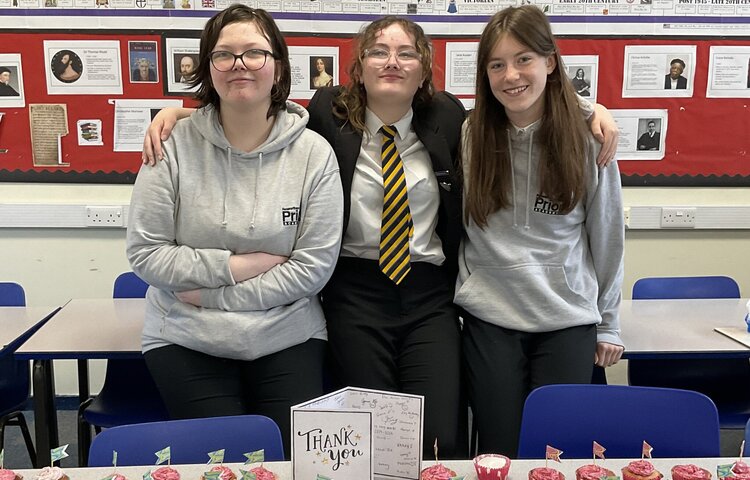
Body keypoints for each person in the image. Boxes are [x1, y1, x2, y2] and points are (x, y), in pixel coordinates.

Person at [141, 15, 620, 461]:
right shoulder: (328, 114)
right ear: (359, 65)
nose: (392, 61)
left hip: (429, 292)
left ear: (423, 69)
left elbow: (522, 100)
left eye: (406, 53)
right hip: (355, 289)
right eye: (378, 51)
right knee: (365, 436)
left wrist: (589, 109)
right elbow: (256, 105)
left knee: (439, 439)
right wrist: (181, 114)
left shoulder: (450, 118)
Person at [126, 4, 343, 459]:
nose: (239, 65)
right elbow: (147, 255)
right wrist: (238, 265)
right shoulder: (169, 145)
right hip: (185, 334)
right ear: (208, 66)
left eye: (254, 53)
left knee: (291, 460)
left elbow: (313, 269)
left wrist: (209, 293)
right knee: (221, 459)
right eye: (224, 55)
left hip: (288, 332)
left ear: (278, 64)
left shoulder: (314, 154)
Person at [458, 5, 624, 458]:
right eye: (497, 64)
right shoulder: (472, 133)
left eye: (524, 59)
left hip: (566, 318)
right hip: (491, 317)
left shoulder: (589, 139)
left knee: (559, 451)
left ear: (550, 62)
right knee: (499, 451)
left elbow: (607, 237)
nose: (511, 75)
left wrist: (609, 323)